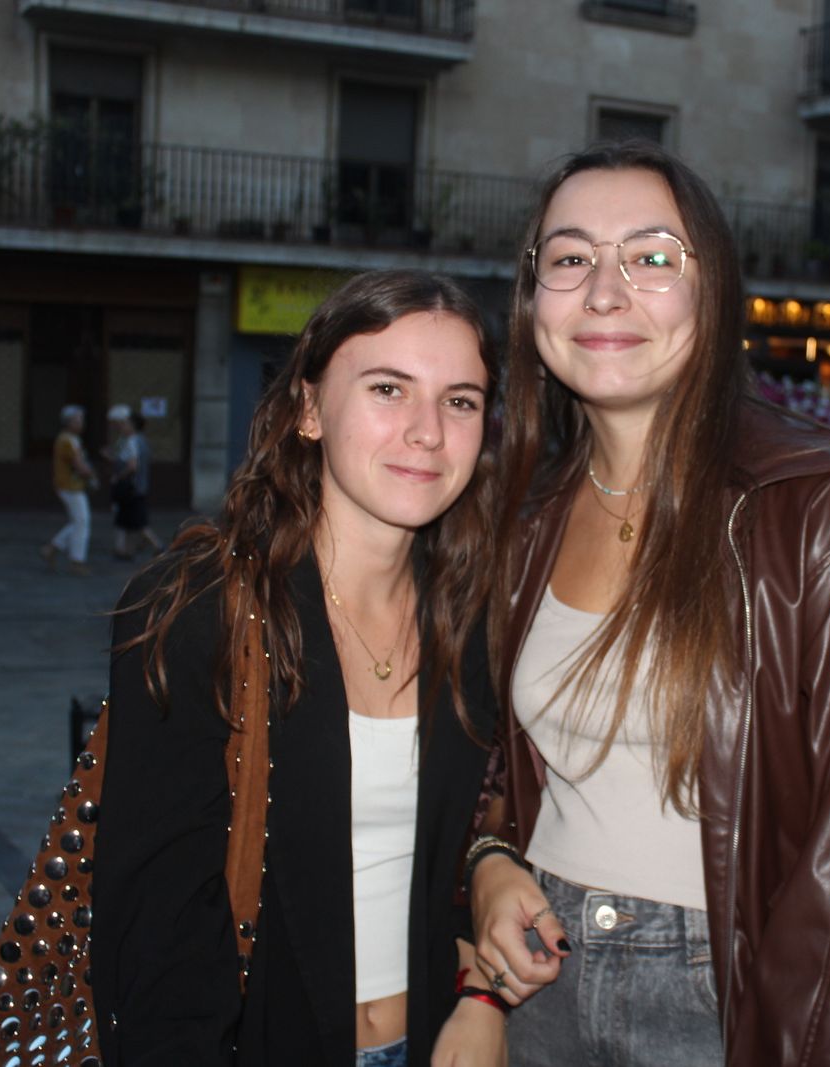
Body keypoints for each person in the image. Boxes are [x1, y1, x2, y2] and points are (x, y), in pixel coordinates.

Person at [464, 143, 830, 1067]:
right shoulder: (522, 516)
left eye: (652, 257)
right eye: (570, 259)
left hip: (727, 995)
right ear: (534, 301)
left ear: (712, 291)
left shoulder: (811, 510)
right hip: (540, 979)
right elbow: (493, 763)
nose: (605, 292)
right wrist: (490, 865)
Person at [91, 270, 508, 1067]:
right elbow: (160, 937)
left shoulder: (475, 614)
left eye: (460, 400)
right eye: (389, 388)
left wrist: (484, 992)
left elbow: (488, 832)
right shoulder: (200, 610)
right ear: (309, 409)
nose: (428, 431)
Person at [40, 405, 97, 574]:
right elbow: (79, 466)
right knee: (82, 522)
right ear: (69, 422)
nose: (81, 423)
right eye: (78, 420)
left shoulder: (70, 439)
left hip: (71, 485)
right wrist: (91, 474)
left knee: (78, 522)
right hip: (70, 486)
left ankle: (52, 548)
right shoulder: (67, 441)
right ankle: (76, 561)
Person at [109, 407, 162, 560]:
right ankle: (125, 550)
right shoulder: (142, 440)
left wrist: (119, 476)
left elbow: (133, 466)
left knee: (137, 522)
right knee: (126, 520)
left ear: (132, 425)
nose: (122, 427)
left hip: (130, 487)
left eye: (125, 424)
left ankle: (157, 545)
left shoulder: (131, 442)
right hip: (139, 486)